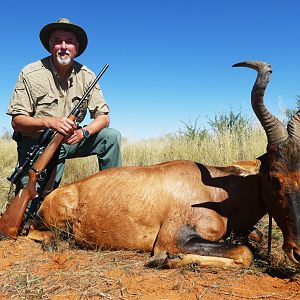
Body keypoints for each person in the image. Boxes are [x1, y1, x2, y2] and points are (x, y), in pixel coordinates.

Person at [7, 18, 122, 225]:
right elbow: (18, 121)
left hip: (71, 140)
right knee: (28, 213)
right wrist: (50, 122)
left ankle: (113, 199)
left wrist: (84, 132)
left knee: (111, 137)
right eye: (57, 41)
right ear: (50, 46)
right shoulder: (30, 73)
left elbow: (103, 118)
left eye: (69, 41)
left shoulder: (88, 75)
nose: (63, 46)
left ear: (76, 48)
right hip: (37, 143)